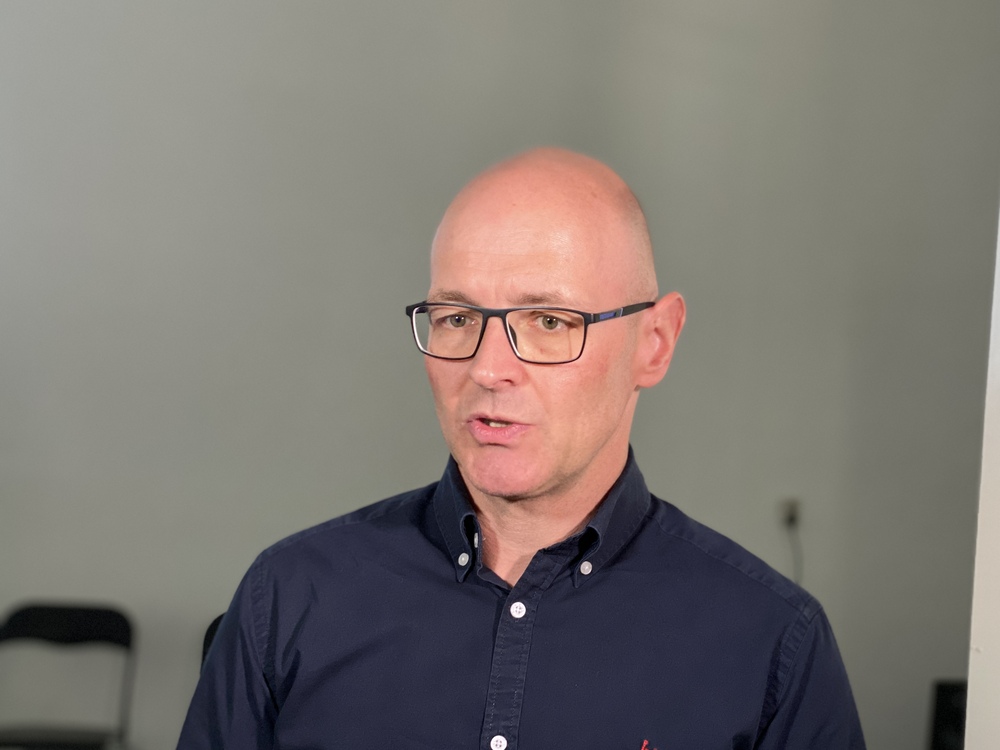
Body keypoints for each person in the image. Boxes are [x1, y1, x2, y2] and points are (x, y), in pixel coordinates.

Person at [178, 148, 866, 749]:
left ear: (653, 343)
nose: (488, 368)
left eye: (548, 321)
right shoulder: (291, 598)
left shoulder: (770, 643)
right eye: (457, 317)